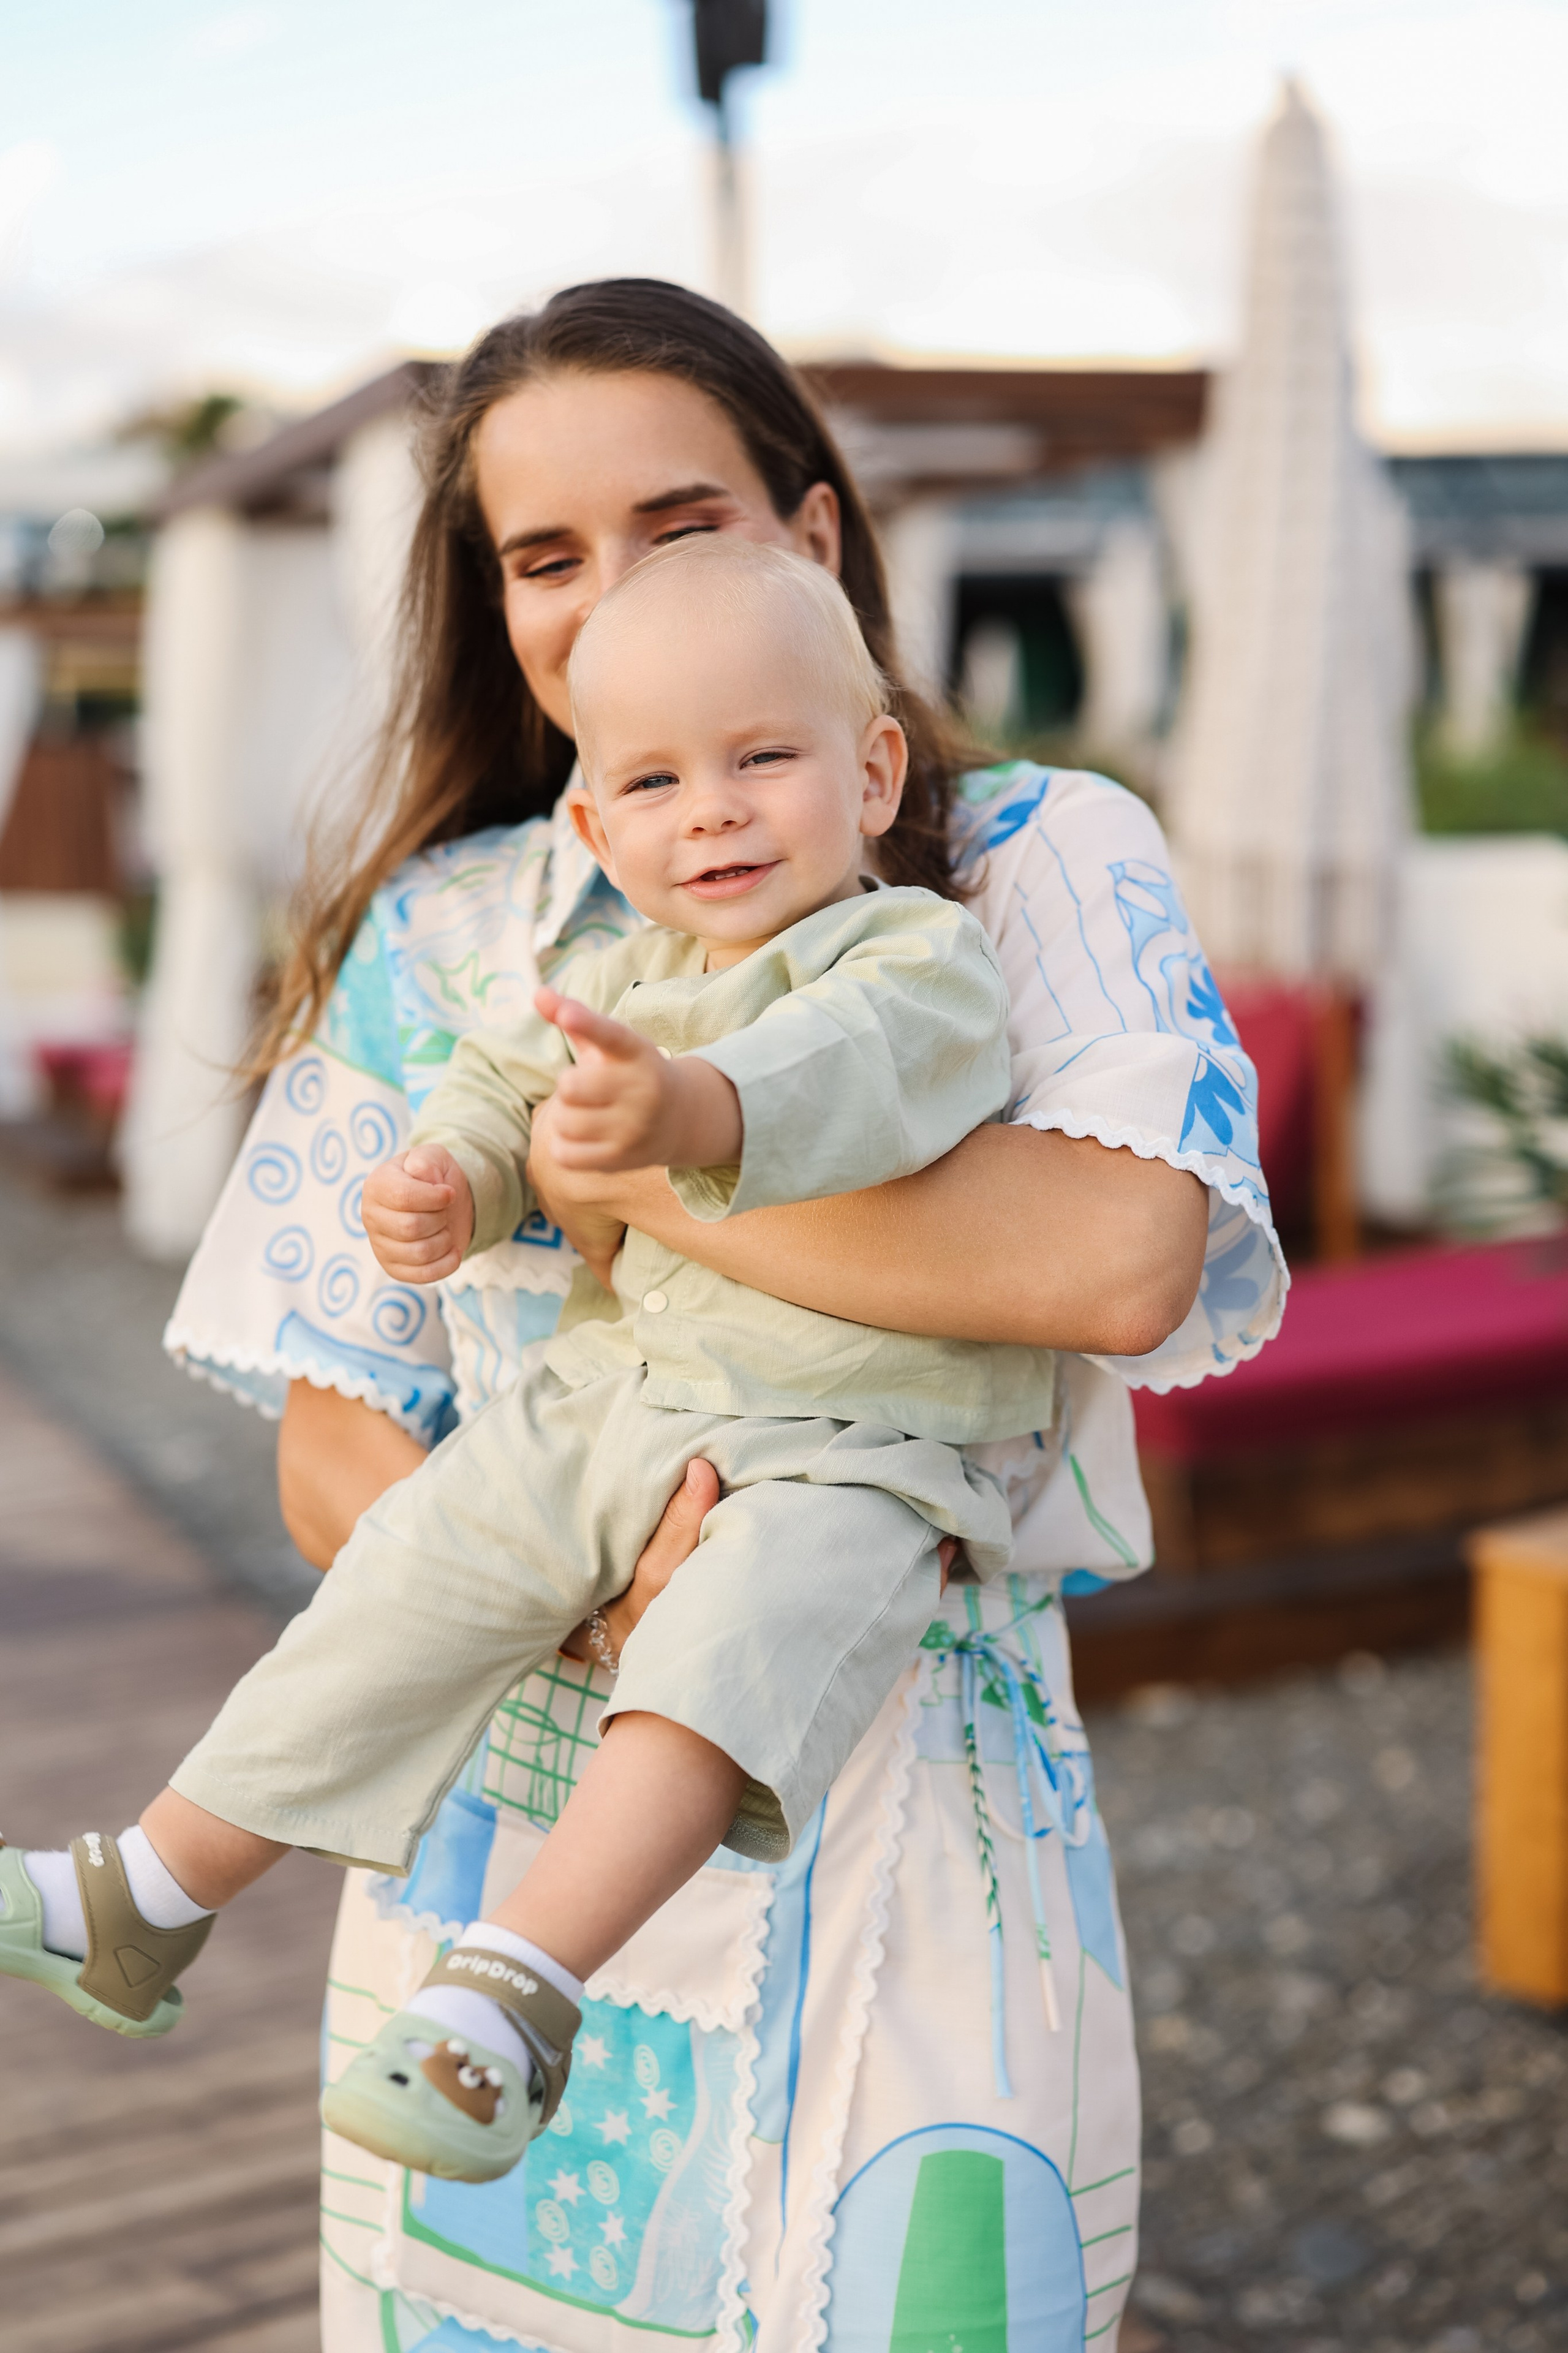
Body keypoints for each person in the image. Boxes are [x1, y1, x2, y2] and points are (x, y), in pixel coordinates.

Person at [57, 283, 1286, 2348]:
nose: (607, 589)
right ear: (496, 600)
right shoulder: (434, 935)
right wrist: (620, 1604)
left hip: (916, 1828)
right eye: (545, 555)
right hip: (494, 1834)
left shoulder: (1029, 854)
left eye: (684, 520)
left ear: (814, 537)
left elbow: (1116, 1257)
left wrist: (649, 1172)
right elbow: (331, 1436)